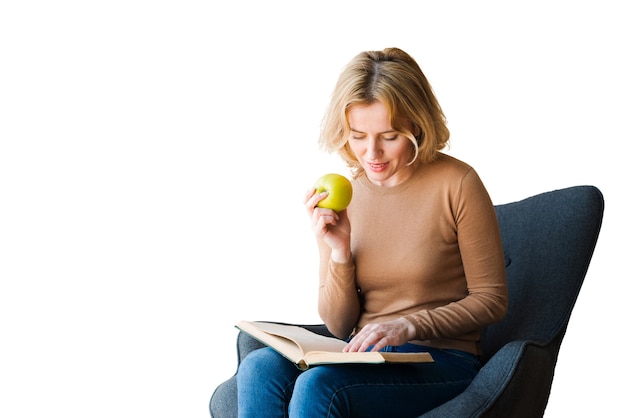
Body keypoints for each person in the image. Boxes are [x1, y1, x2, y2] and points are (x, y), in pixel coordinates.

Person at [236, 47, 508, 417]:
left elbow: (491, 299)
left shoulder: (457, 184)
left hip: (440, 360)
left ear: (416, 124)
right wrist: (340, 252)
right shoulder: (346, 196)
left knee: (321, 389)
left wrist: (408, 326)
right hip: (364, 356)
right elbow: (339, 324)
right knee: (259, 368)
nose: (371, 153)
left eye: (389, 135)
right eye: (357, 136)